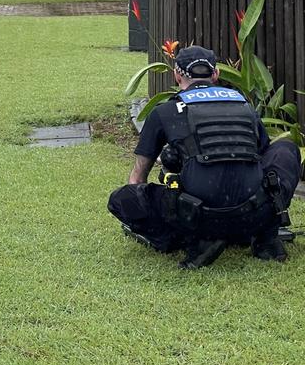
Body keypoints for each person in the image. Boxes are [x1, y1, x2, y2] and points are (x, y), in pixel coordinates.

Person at [109, 45, 302, 269]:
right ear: (216, 74)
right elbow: (263, 160)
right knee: (286, 148)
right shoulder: (244, 106)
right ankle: (265, 238)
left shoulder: (164, 111)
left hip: (196, 218)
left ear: (176, 75)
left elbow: (137, 179)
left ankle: (191, 240)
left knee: (121, 199)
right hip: (253, 214)